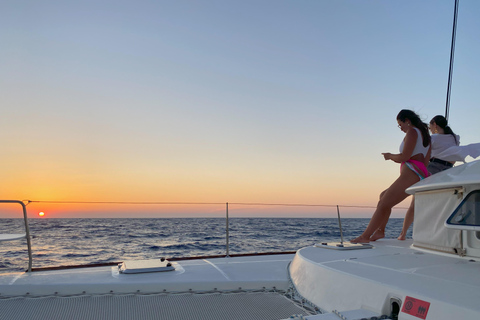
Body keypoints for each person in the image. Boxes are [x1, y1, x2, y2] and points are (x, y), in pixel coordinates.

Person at [351, 110, 431, 244]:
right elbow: (426, 162)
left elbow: (404, 157)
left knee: (384, 203)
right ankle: (380, 231)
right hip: (418, 173)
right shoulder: (426, 136)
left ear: (407, 120)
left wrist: (390, 156)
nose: (400, 128)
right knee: (383, 196)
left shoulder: (412, 131)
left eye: (400, 125)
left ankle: (365, 236)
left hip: (412, 173)